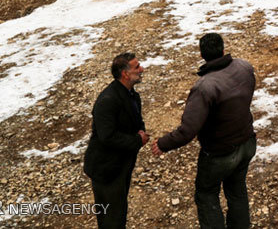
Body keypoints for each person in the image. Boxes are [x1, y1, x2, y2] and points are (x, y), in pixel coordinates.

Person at [152, 34, 257, 229]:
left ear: (201, 54)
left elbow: (188, 130)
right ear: (223, 50)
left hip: (220, 153)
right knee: (237, 190)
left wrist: (162, 143)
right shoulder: (244, 67)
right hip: (248, 142)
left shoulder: (204, 87)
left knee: (207, 195)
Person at [83, 53, 147, 229]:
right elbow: (107, 136)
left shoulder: (131, 95)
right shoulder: (108, 100)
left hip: (120, 165)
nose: (142, 69)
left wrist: (140, 130)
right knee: (112, 219)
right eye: (137, 67)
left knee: (118, 214)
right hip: (106, 169)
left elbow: (134, 120)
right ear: (125, 74)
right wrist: (137, 139)